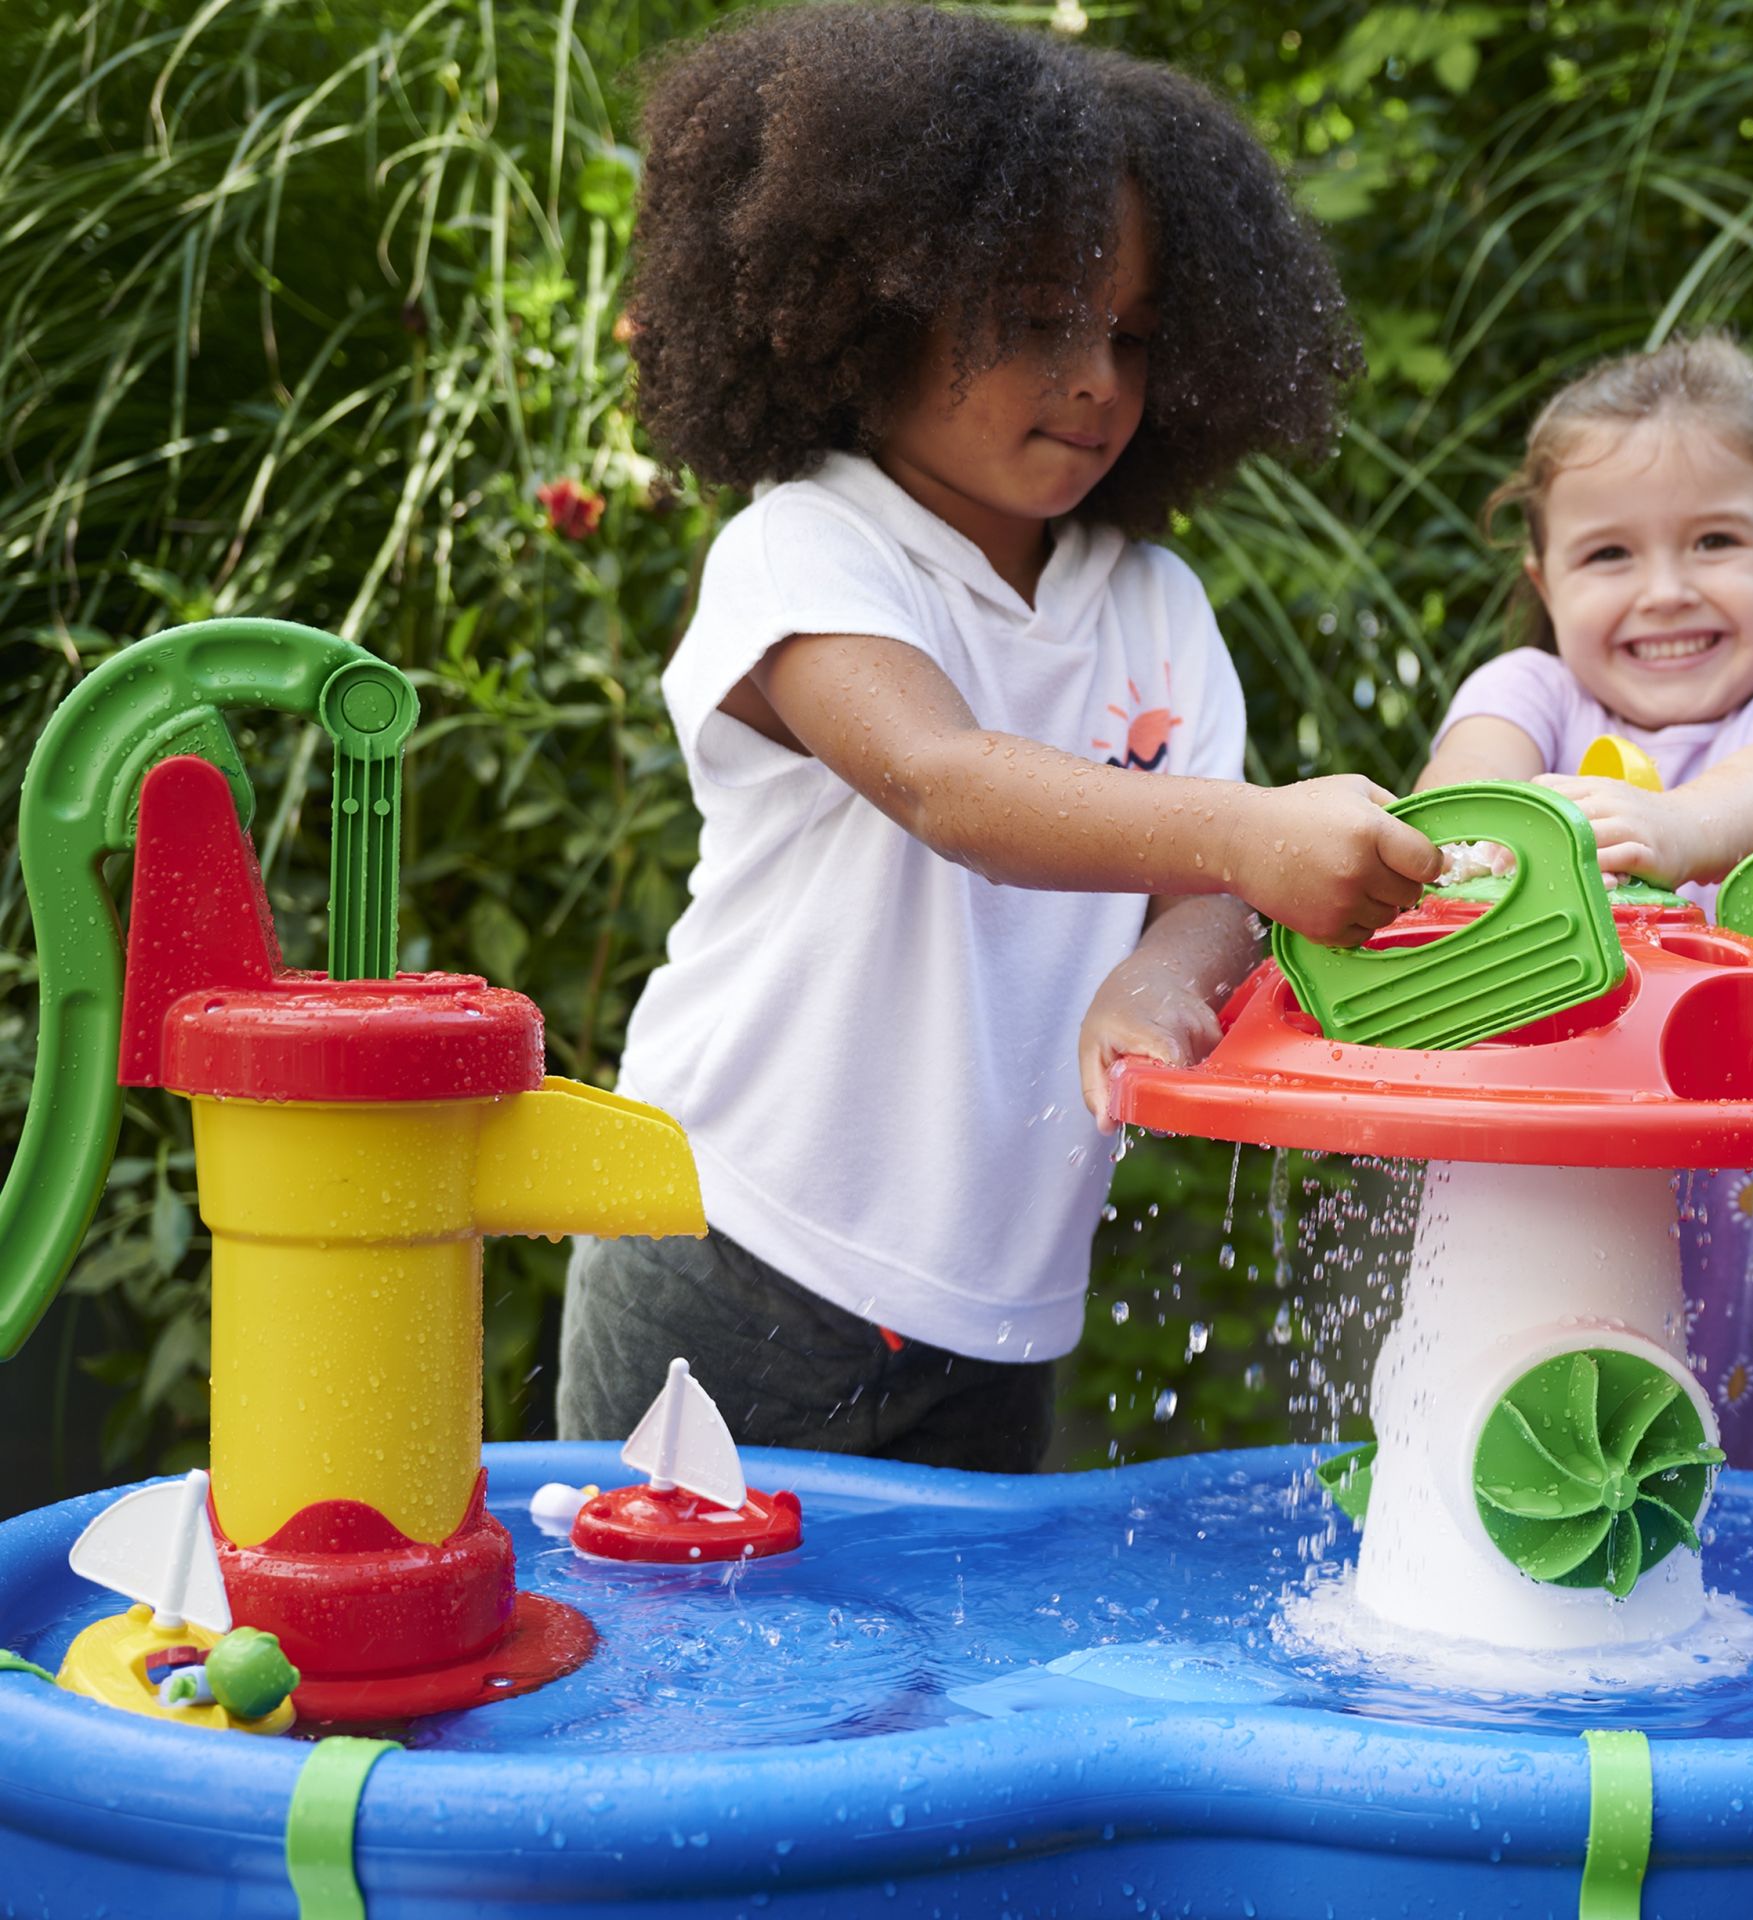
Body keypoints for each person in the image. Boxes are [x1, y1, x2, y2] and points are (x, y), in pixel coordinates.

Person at [556, 3, 1441, 1470]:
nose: (1096, 377)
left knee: (950, 1636)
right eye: (1035, 321)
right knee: (670, 1619)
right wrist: (1253, 830)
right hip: (729, 1237)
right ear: (873, 306)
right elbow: (943, 780)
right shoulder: (810, 547)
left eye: (1133, 336)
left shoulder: (1153, 604)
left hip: (1001, 1305)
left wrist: (1163, 978)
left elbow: (1206, 896)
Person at [1421, 331, 1753, 1495]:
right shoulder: (1530, 696)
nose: (1666, 590)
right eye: (1609, 553)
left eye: (1715, 541)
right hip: (1561, 1167)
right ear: (1544, 582)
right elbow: (1458, 802)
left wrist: (1685, 827)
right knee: (1543, 1438)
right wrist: (1481, 838)